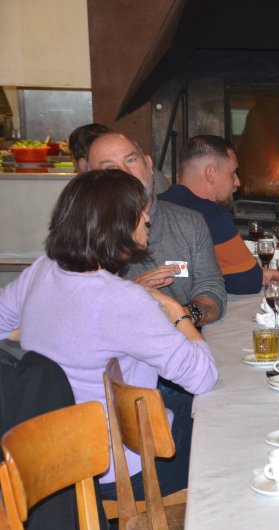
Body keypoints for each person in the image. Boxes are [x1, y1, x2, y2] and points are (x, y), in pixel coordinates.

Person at [0, 169, 218, 499]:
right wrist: (177, 312)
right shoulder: (123, 300)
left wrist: (32, 330)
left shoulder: (43, 270)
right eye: (140, 211)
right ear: (118, 224)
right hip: (122, 470)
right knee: (216, 426)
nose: (148, 217)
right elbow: (203, 376)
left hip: (54, 462)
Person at [87, 132, 226, 326]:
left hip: (181, 336)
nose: (125, 172)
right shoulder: (83, 233)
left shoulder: (189, 222)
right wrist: (131, 293)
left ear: (149, 165)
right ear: (90, 181)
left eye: (131, 160)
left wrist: (182, 316)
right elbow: (80, 313)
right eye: (110, 168)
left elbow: (212, 290)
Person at [159, 135, 279, 294]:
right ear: (211, 173)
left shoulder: (153, 205)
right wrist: (255, 276)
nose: (237, 182)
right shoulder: (212, 215)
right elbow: (247, 281)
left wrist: (257, 274)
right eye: (233, 173)